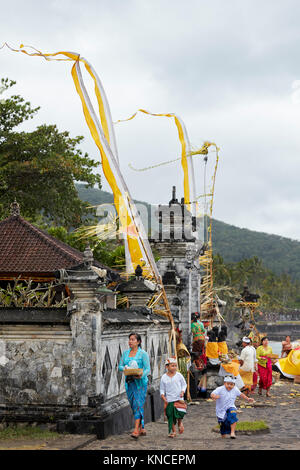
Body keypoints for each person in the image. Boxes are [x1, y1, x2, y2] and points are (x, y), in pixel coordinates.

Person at [118, 332, 150, 439]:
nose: (130, 341)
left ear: (138, 342)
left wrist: (141, 375)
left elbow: (147, 369)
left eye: (133, 339)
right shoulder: (125, 353)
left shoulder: (143, 354)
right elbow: (120, 366)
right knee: (133, 404)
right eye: (129, 339)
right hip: (129, 382)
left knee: (138, 404)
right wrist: (125, 368)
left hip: (140, 383)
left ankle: (136, 429)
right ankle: (141, 426)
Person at [160, 357, 187, 438]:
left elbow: (184, 384)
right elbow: (162, 389)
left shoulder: (179, 375)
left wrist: (182, 391)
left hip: (179, 398)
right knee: (170, 416)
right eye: (172, 366)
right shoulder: (164, 377)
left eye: (175, 366)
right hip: (169, 399)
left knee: (179, 414)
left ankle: (180, 423)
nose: (174, 367)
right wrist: (164, 398)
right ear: (167, 367)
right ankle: (174, 431)